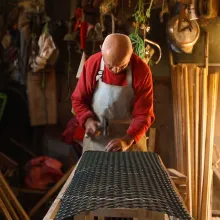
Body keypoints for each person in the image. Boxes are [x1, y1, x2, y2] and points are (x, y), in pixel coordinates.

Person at [71, 33, 155, 152]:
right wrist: (87, 121)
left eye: (122, 66)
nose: (115, 70)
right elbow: (78, 99)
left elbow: (144, 114)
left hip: (129, 143)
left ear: (131, 54)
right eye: (110, 66)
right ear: (101, 50)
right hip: (97, 142)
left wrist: (127, 140)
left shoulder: (141, 71)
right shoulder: (92, 64)